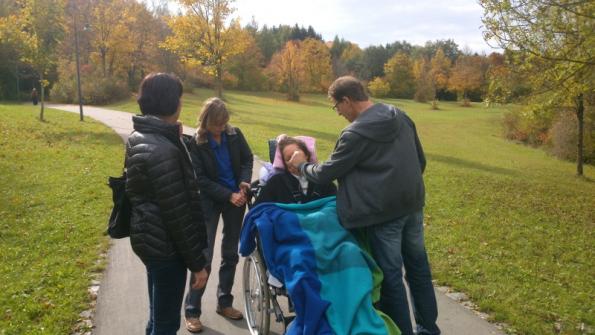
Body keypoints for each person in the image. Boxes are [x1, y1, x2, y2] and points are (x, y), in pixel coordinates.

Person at [288, 76, 440, 335]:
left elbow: (327, 172)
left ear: (346, 101)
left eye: (336, 107)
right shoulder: (399, 115)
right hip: (412, 206)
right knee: (418, 269)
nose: (338, 113)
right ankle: (428, 329)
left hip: (382, 215)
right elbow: (420, 161)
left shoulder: (354, 133)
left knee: (390, 278)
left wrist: (302, 165)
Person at [125, 73, 208, 335]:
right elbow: (178, 214)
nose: (182, 104)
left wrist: (174, 136)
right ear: (170, 102)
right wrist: (197, 264)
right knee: (166, 324)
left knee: (156, 315)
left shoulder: (140, 135)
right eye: (180, 98)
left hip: (149, 238)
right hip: (167, 247)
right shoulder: (163, 149)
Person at [183, 97, 253, 333]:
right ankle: (192, 311)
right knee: (204, 256)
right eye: (216, 124)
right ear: (206, 121)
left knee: (230, 254)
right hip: (210, 202)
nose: (220, 129)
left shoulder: (235, 134)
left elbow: (247, 159)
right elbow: (199, 179)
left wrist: (244, 182)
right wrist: (228, 195)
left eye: (223, 124)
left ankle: (225, 303)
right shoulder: (196, 142)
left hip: (236, 200)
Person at [254, 135, 336, 205]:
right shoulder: (276, 182)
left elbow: (335, 207)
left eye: (296, 155)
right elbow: (259, 209)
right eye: (288, 158)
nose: (293, 160)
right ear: (285, 164)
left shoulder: (323, 181)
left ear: (307, 155)